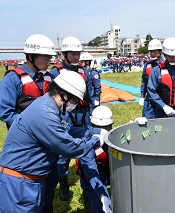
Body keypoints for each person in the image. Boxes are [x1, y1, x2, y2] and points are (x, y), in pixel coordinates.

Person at [0, 71, 107, 213]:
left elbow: (68, 130)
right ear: (64, 94)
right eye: (74, 101)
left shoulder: (48, 106)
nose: (74, 105)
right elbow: (69, 147)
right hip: (19, 184)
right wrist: (95, 141)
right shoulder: (44, 113)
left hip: (30, 181)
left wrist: (97, 132)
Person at [48, 36, 93, 203]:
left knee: (86, 144)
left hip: (83, 114)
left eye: (78, 54)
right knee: (62, 153)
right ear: (64, 54)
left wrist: (91, 113)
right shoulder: (55, 73)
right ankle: (63, 182)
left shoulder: (84, 72)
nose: (76, 57)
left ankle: (86, 180)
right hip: (65, 115)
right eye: (72, 54)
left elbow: (89, 94)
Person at [0, 34, 56, 130]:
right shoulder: (12, 79)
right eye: (46, 59)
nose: (48, 63)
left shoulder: (50, 78)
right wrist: (32, 126)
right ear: (31, 57)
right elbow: (5, 112)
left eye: (50, 59)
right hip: (24, 137)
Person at [76, 105, 113, 213]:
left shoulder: (111, 136)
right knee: (99, 208)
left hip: (106, 174)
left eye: (107, 128)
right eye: (100, 128)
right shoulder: (86, 145)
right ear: (93, 126)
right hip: (90, 179)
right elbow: (92, 175)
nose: (104, 131)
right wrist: (102, 196)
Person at [139, 39, 164, 118]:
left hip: (161, 99)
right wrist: (142, 96)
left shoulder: (165, 65)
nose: (152, 54)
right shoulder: (148, 65)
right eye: (151, 52)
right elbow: (144, 81)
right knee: (146, 121)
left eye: (155, 51)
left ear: (160, 51)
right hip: (149, 99)